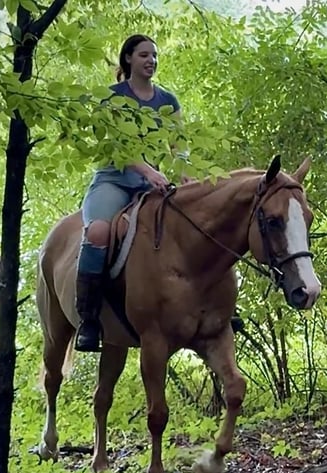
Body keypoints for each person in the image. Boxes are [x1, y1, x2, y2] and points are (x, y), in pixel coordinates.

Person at [75, 34, 191, 352]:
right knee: (98, 233)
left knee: (192, 225)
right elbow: (117, 147)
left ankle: (209, 308)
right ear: (128, 59)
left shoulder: (168, 101)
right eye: (143, 55)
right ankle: (88, 320)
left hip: (150, 188)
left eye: (154, 55)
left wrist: (185, 174)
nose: (151, 60)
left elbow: (179, 145)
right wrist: (150, 171)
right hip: (114, 182)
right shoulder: (112, 98)